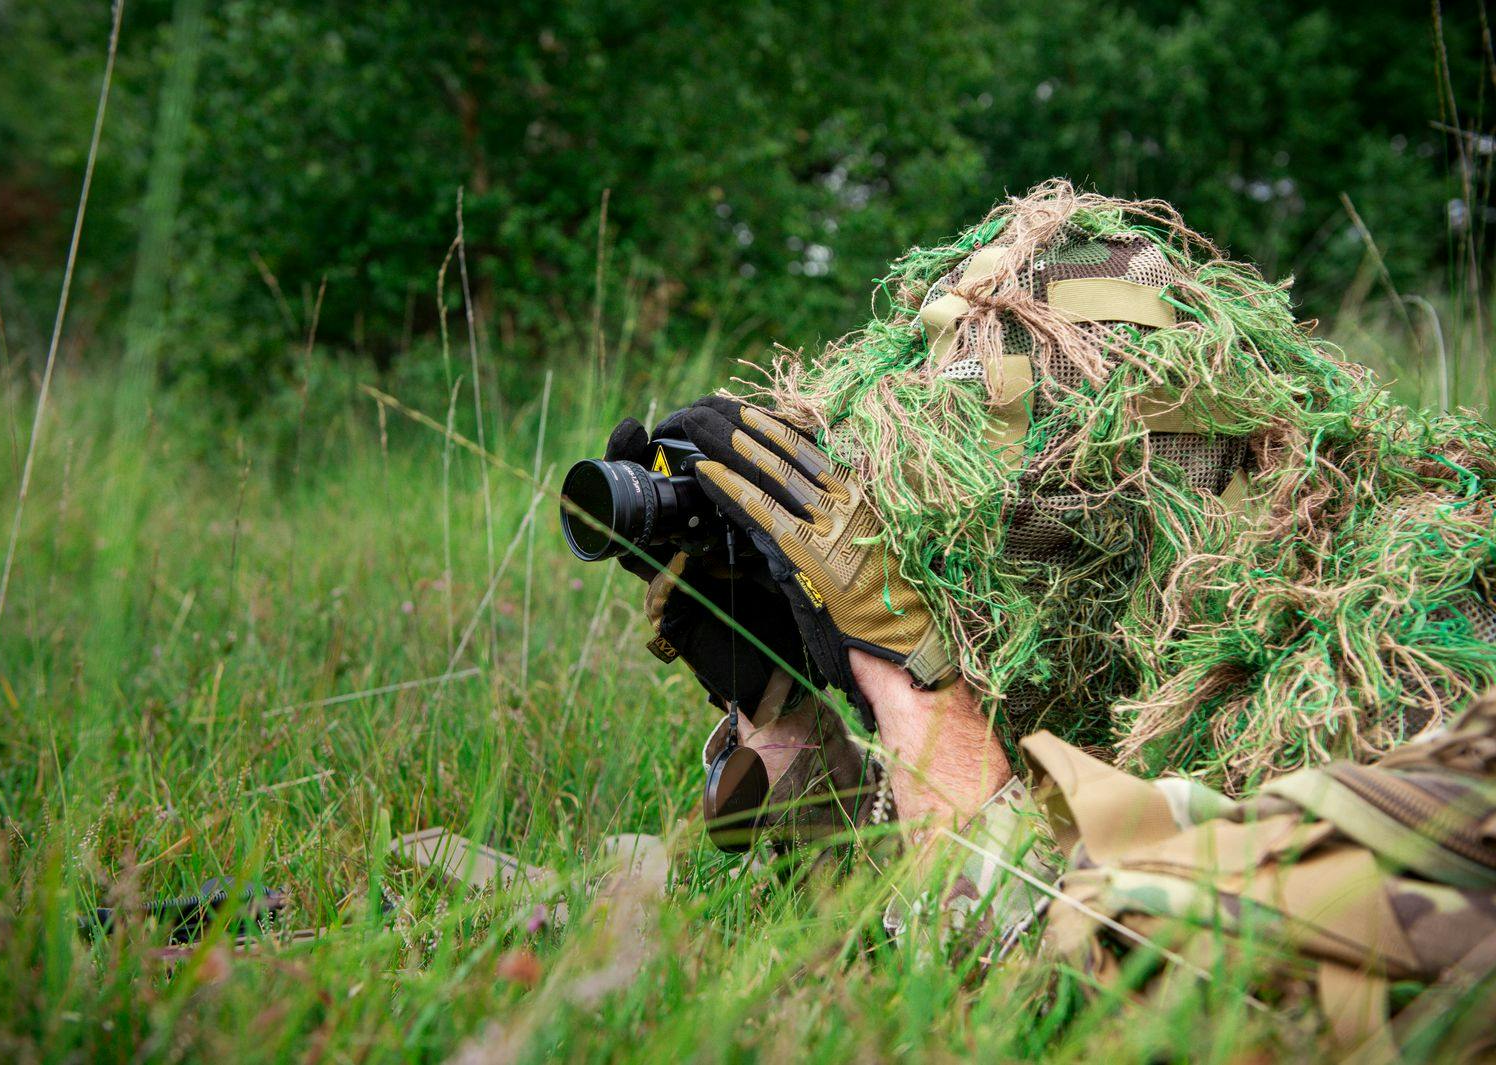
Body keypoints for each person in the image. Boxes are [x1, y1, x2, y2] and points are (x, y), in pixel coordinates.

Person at [595, 182, 1496, 1047]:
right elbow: (898, 943)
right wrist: (784, 714)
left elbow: (1153, 1005)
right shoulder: (1180, 657)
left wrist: (924, 700)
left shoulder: (1414, 662)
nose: (964, 583)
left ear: (1173, 497)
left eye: (1024, 534)